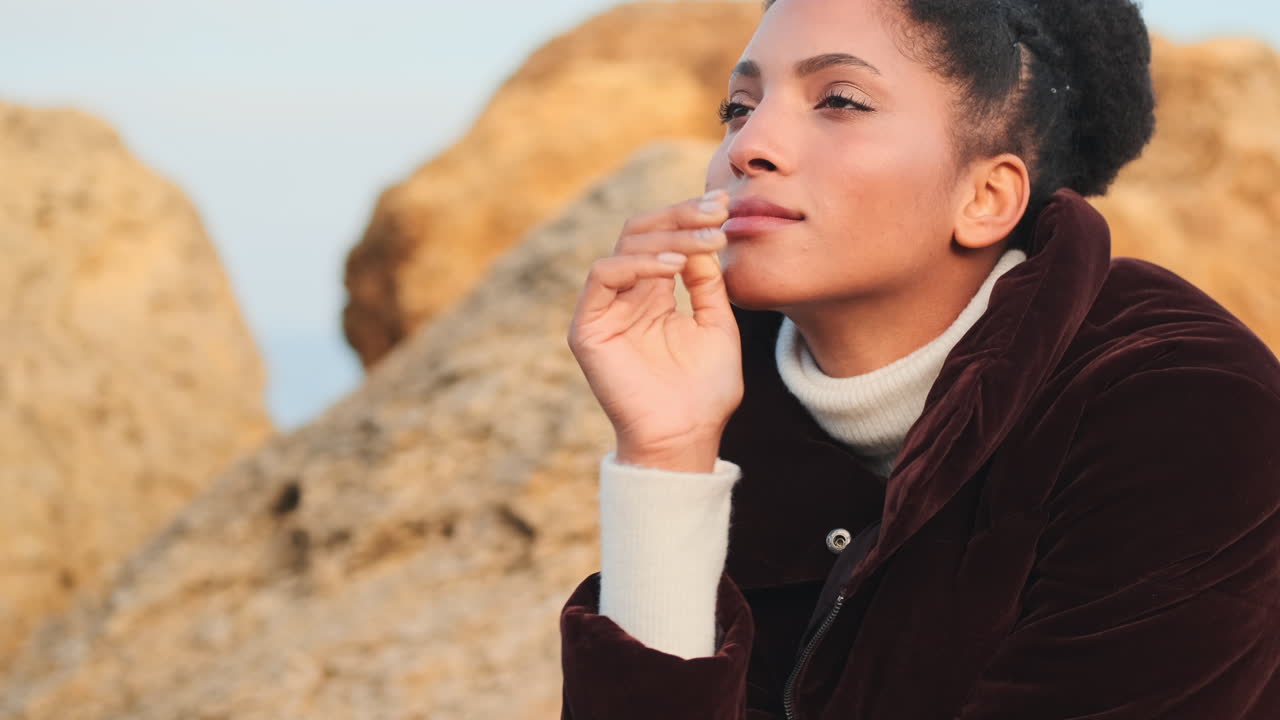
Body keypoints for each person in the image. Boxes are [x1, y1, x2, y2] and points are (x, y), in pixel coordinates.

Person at [560, 0, 1280, 717]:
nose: (748, 147)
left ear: (986, 196)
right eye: (738, 107)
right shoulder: (730, 398)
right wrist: (665, 459)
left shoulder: (1187, 410)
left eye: (839, 100)